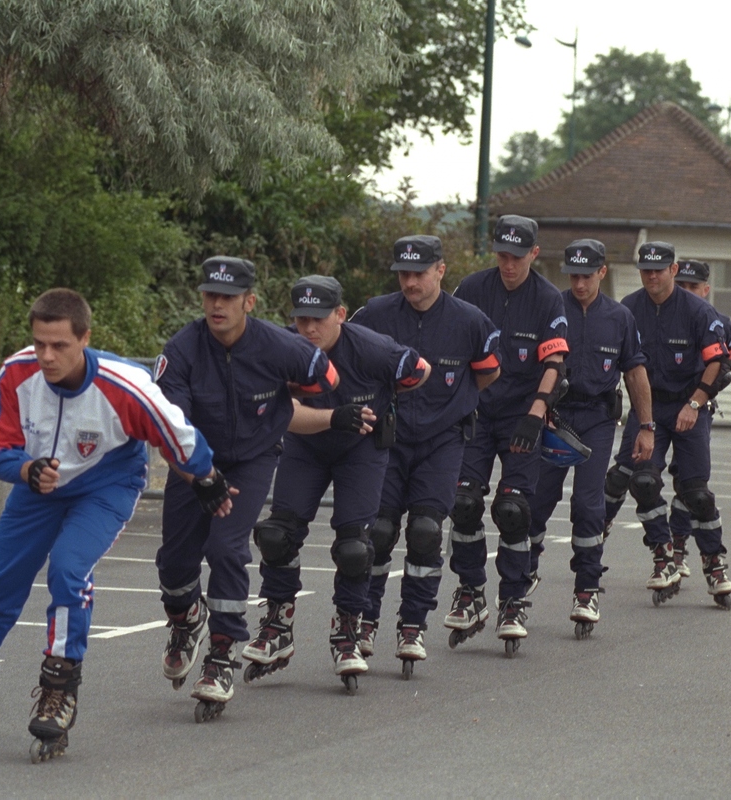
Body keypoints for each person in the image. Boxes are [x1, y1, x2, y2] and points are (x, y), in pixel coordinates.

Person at [0, 288, 222, 760]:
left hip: (106, 486)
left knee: (69, 570)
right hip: (40, 487)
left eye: (59, 345)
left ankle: (59, 689)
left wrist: (207, 478)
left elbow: (177, 433)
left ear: (85, 339)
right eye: (39, 343)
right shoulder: (17, 372)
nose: (46, 356)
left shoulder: (124, 384)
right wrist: (25, 470)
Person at [153, 256, 339, 720]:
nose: (217, 305)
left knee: (226, 548)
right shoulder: (181, 350)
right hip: (195, 463)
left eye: (228, 297)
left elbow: (327, 377)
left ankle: (221, 656)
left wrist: (288, 400)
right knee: (174, 565)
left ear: (248, 302)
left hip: (253, 459)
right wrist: (201, 478)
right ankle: (186, 619)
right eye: (210, 296)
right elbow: (169, 430)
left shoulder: (279, 345)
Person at [243, 275, 429, 692]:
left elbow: (420, 370)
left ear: (340, 315)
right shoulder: (283, 349)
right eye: (302, 320)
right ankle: (278, 623)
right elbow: (286, 413)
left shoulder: (371, 348)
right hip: (307, 444)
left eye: (319, 319)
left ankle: (348, 628)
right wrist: (333, 417)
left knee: (355, 546)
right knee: (276, 534)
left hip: (360, 448)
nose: (310, 329)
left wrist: (389, 399)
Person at [350, 235, 500, 675]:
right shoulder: (374, 314)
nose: (410, 282)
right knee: (377, 532)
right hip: (388, 440)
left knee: (426, 531)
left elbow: (488, 373)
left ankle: (413, 625)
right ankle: (365, 619)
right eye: (403, 274)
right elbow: (348, 358)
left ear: (440, 270)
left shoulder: (470, 321)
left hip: (442, 440)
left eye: (419, 273)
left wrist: (450, 406)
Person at [447, 214, 568, 654]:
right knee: (462, 502)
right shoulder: (472, 288)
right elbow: (449, 347)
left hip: (522, 415)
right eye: (502, 255)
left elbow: (555, 364)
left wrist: (537, 412)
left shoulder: (548, 299)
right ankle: (470, 590)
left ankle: (513, 599)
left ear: (534, 253)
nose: (509, 265)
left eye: (517, 256)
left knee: (513, 509)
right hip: (477, 412)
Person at [524, 240, 653, 636]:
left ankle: (586, 589)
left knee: (588, 504)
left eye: (586, 276)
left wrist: (646, 426)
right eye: (573, 276)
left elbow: (635, 373)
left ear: (602, 272)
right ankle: (524, 569)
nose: (579, 284)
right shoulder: (551, 308)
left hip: (597, 417)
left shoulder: (619, 317)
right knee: (537, 500)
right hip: (555, 415)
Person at [602, 243, 731, 608]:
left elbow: (719, 362)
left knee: (696, 493)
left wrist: (696, 402)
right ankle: (663, 555)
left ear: (672, 270)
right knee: (642, 480)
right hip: (648, 407)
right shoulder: (628, 308)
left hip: (690, 404)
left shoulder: (698, 310)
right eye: (646, 270)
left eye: (659, 270)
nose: (652, 276)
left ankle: (714, 563)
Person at [666, 259, 731, 579]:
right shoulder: (661, 317)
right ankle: (668, 549)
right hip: (660, 407)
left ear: (706, 289)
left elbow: (727, 366)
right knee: (635, 477)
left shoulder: (720, 324)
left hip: (697, 408)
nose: (686, 292)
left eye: (693, 286)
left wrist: (699, 397)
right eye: (680, 285)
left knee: (693, 485)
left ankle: (691, 550)